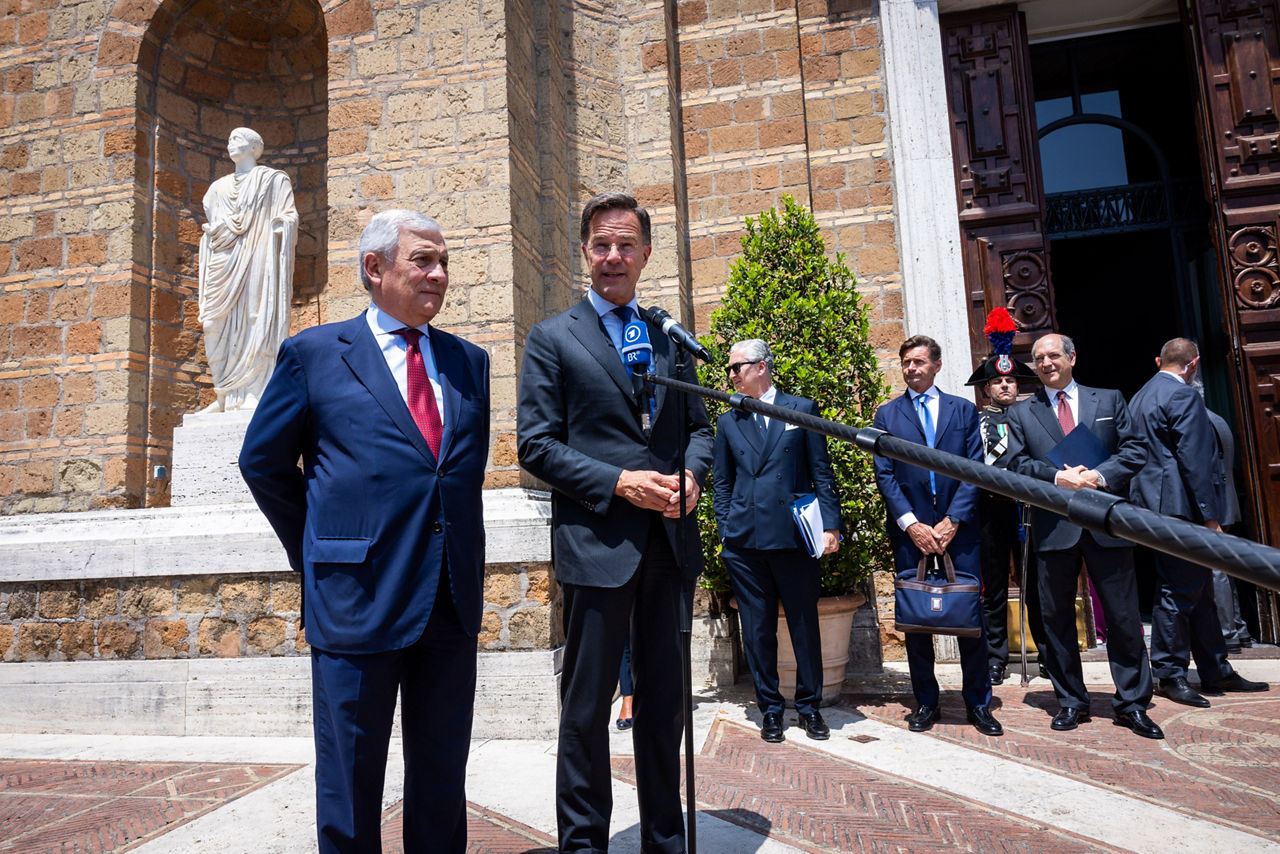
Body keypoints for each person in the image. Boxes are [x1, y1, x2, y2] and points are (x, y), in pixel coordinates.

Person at [239, 210, 491, 853]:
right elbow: (262, 462)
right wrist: (319, 550)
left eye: (444, 262)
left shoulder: (470, 363)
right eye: (423, 262)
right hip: (354, 601)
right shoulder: (315, 355)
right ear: (375, 269)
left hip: (448, 603)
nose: (439, 275)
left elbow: (452, 478)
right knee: (351, 786)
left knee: (440, 782)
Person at [516, 192, 713, 854]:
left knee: (664, 709)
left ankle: (663, 839)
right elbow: (536, 445)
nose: (613, 257)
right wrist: (619, 482)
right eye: (601, 245)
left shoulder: (669, 337)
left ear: (646, 254)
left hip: (668, 544)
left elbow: (702, 431)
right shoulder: (552, 338)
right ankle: (583, 846)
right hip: (598, 543)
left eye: (625, 245)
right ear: (584, 253)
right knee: (585, 712)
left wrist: (692, 477)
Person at [1003, 333, 1162, 739]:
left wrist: (1098, 475)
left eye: (1053, 355)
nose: (1046, 363)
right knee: (1055, 619)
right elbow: (1016, 463)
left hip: (1106, 521)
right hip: (1054, 526)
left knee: (1124, 617)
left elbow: (1134, 450)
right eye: (1039, 358)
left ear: (1072, 357)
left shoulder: (1108, 400)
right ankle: (1071, 700)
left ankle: (1132, 703)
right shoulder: (1022, 413)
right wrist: (1057, 476)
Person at [872, 335, 1002, 737]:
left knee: (969, 620)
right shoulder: (887, 415)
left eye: (918, 362)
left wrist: (953, 521)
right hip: (912, 535)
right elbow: (885, 474)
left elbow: (972, 469)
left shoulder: (963, 411)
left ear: (937, 365)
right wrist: (911, 523)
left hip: (958, 534)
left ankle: (978, 703)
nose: (911, 368)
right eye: (906, 363)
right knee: (916, 621)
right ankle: (925, 701)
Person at [712, 338, 841, 743]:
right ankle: (770, 709)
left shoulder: (800, 409)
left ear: (762, 367)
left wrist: (831, 526)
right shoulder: (729, 420)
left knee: (804, 625)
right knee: (757, 630)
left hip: (793, 537)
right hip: (745, 543)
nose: (731, 375)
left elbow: (822, 472)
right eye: (730, 369)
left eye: (737, 367)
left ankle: (809, 707)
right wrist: (725, 530)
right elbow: (722, 482)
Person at [1127, 338, 1268, 706]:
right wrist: (1209, 517)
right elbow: (1194, 459)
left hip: (1152, 507)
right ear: (1194, 365)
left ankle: (1215, 667)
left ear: (1160, 360)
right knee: (1178, 592)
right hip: (1180, 510)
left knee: (1201, 590)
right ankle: (1170, 674)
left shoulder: (1141, 394)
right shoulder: (1184, 396)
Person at [963, 309, 1046, 686]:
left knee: (1037, 586)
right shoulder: (976, 423)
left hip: (1031, 511)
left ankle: (1048, 652)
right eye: (997, 381)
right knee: (993, 588)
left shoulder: (1036, 420)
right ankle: (995, 656)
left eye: (1010, 380)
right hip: (991, 511)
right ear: (987, 389)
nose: (1005, 386)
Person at [198, 126, 298, 412]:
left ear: (255, 147)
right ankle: (223, 394)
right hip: (223, 260)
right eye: (228, 139)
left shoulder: (273, 180)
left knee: (257, 317)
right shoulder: (216, 189)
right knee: (212, 323)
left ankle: (254, 390)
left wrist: (281, 227)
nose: (231, 144)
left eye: (238, 139)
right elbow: (212, 224)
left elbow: (288, 216)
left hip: (257, 256)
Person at [1200, 396, 1255, 652]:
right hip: (1224, 502)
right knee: (1224, 567)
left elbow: (1206, 468)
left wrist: (1207, 513)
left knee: (1216, 570)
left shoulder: (1202, 421)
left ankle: (1227, 632)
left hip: (1214, 505)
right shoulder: (1216, 417)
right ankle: (1238, 628)